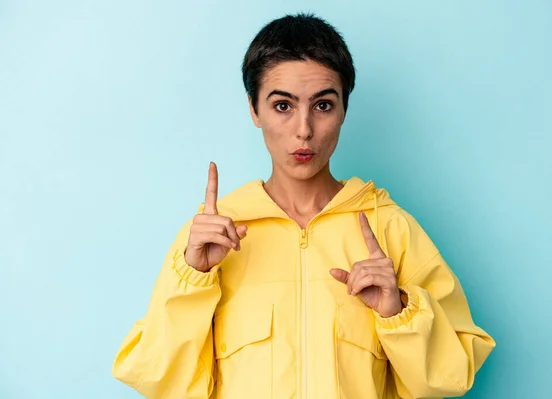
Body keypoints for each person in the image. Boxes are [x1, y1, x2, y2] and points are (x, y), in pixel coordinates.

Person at [112, 12, 495, 399]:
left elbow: (450, 377)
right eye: (282, 106)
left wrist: (397, 313)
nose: (304, 129)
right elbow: (157, 378)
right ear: (253, 109)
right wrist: (193, 277)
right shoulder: (211, 238)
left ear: (345, 108)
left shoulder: (391, 229)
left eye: (323, 105)